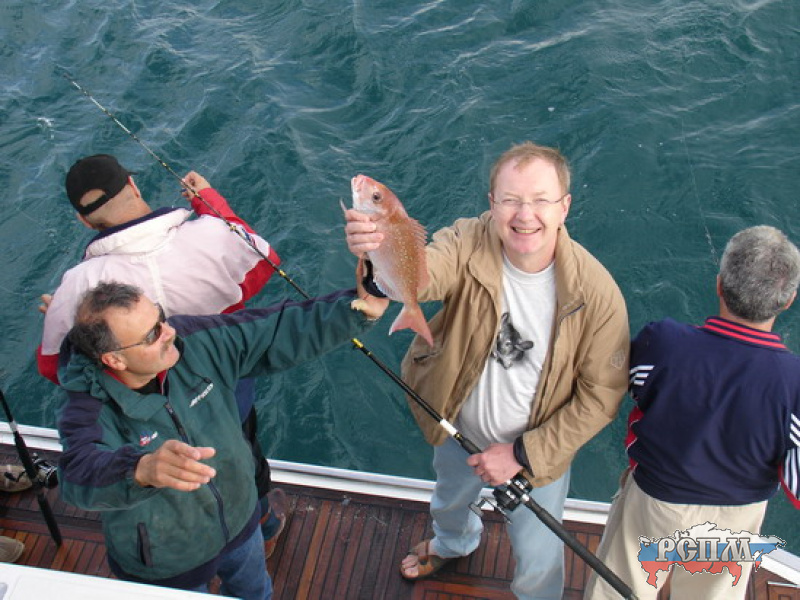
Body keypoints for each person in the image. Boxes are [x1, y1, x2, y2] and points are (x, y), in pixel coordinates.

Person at [344, 141, 630, 599]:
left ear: (564, 207)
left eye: (541, 200)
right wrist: (374, 257)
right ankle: (453, 544)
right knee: (449, 503)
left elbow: (601, 397)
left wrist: (522, 454)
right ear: (492, 203)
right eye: (511, 200)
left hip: (536, 458)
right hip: (456, 427)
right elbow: (424, 275)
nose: (525, 215)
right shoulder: (466, 240)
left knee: (538, 555)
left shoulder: (599, 295)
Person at [57, 276, 388, 599]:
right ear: (114, 359)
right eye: (152, 334)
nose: (168, 332)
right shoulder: (87, 407)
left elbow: (274, 329)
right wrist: (140, 470)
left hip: (241, 521)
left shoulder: (194, 341)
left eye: (160, 317)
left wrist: (357, 309)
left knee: (257, 592)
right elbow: (76, 475)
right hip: (165, 561)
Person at [37, 154, 286, 553]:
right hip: (225, 388)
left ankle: (185, 542)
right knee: (243, 452)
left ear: (83, 220)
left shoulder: (75, 288)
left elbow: (55, 368)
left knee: (162, 471)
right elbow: (263, 262)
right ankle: (262, 525)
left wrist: (74, 325)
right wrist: (209, 202)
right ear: (133, 186)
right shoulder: (210, 233)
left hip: (146, 416)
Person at [584, 225, 800, 600]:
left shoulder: (664, 342)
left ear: (719, 285)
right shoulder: (794, 383)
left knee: (620, 589)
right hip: (734, 520)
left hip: (656, 501)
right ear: (787, 300)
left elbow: (624, 385)